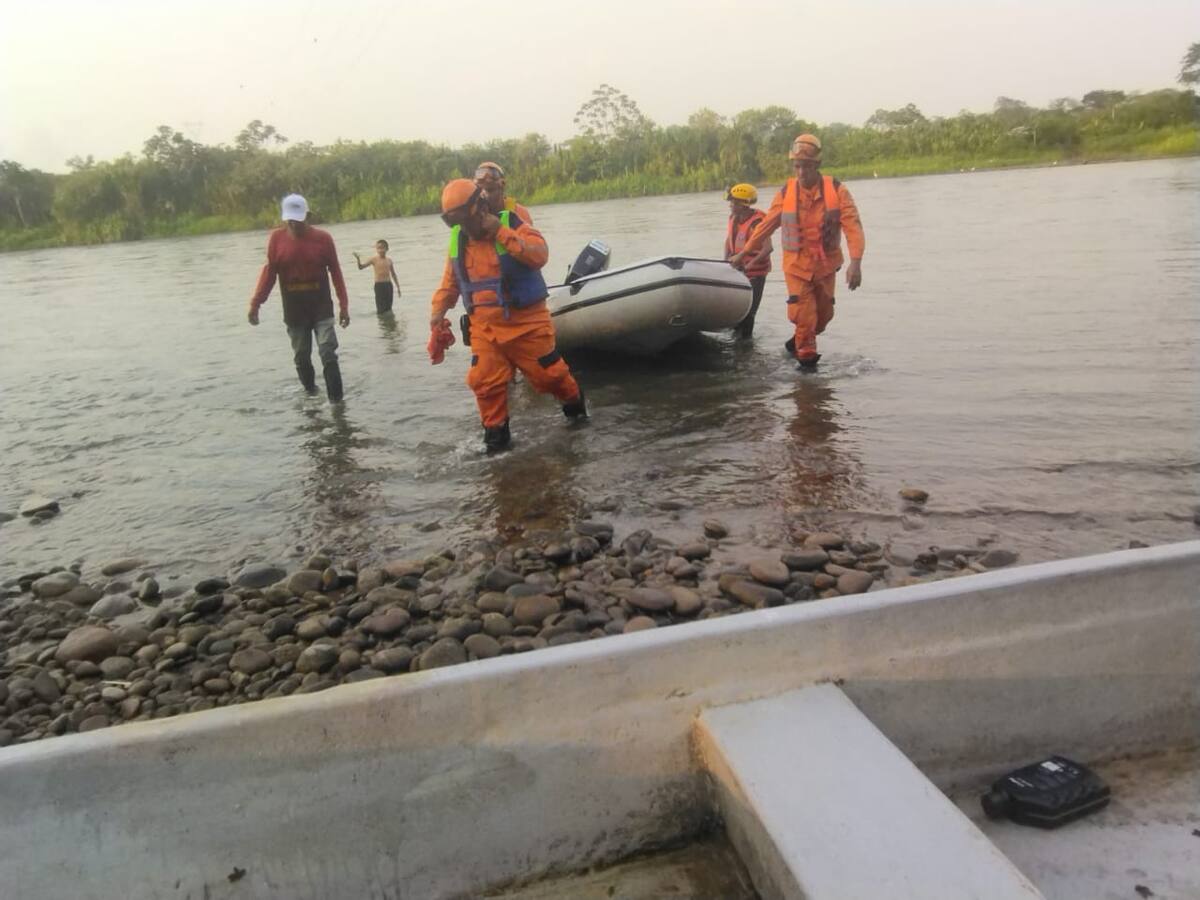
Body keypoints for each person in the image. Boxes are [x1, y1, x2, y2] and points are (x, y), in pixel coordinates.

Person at [430, 178, 586, 453]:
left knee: (551, 377)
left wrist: (502, 233)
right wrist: (436, 315)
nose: (466, 227)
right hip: (485, 330)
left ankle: (577, 415)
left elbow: (540, 255)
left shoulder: (513, 223)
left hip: (526, 324)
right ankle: (496, 446)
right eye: (458, 223)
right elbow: (450, 283)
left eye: (468, 220)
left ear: (480, 206)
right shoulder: (458, 240)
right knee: (485, 384)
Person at [730, 134, 864, 371]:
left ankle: (796, 344)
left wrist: (856, 262)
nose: (801, 172)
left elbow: (853, 226)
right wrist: (744, 253)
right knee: (804, 318)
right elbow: (767, 225)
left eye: (806, 166)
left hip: (825, 267)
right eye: (797, 166)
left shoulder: (837, 191)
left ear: (817, 165)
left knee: (822, 319)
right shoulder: (786, 193)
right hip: (796, 268)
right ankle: (807, 376)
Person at [248, 193, 350, 401]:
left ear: (308, 216)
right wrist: (256, 303)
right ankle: (311, 395)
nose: (294, 223)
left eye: (298, 218)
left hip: (320, 305)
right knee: (301, 356)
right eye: (290, 219)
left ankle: (337, 405)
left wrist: (344, 305)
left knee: (327, 352)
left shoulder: (323, 239)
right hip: (294, 309)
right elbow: (269, 273)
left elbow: (336, 273)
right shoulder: (276, 239)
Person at [723, 183, 773, 339]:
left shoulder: (757, 223)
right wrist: (725, 260)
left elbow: (768, 249)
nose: (731, 205)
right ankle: (736, 337)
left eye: (734, 202)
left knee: (750, 312)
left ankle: (746, 344)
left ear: (743, 205)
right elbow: (728, 240)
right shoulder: (734, 218)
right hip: (737, 270)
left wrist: (749, 265)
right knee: (736, 309)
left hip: (755, 274)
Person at [353, 240, 402, 314]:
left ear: (387, 249)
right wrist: (358, 259)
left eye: (382, 248)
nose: (380, 250)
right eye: (378, 248)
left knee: (389, 308)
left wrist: (398, 287)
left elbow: (393, 274)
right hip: (379, 285)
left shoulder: (389, 260)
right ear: (376, 249)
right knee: (380, 309)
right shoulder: (374, 259)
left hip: (388, 285)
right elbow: (361, 267)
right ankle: (382, 322)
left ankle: (389, 324)